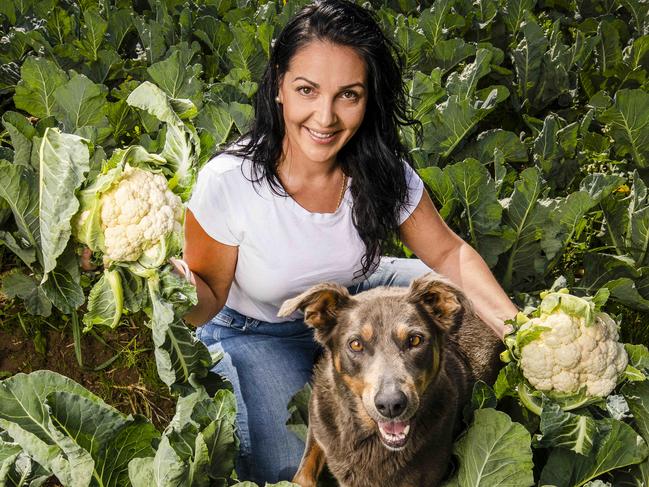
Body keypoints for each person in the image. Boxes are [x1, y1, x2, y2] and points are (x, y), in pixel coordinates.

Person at [177, 0, 518, 483]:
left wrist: (522, 333)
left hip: (354, 299)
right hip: (259, 326)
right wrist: (171, 292)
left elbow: (446, 253)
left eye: (348, 95)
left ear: (369, 97)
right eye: (307, 90)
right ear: (279, 85)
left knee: (461, 294)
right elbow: (206, 300)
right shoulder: (231, 182)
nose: (326, 116)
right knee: (284, 466)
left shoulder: (379, 170)